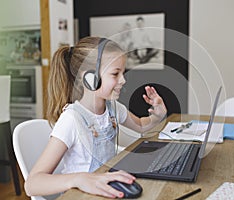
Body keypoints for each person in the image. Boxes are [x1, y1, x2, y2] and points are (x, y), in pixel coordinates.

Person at [24, 36, 167, 198]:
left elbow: (141, 125)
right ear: (90, 78)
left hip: (106, 190)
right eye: (115, 74)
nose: (123, 80)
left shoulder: (112, 108)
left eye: (123, 72)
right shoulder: (72, 119)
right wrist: (79, 179)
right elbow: (32, 184)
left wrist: (157, 116)